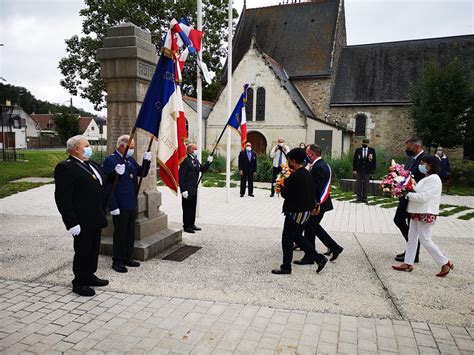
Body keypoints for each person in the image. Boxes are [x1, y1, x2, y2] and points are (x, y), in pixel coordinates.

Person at [54, 135, 109, 297]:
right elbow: (62, 198)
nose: (89, 147)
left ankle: (90, 275)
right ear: (76, 149)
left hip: (96, 216)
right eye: (86, 145)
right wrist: (71, 222)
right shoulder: (66, 167)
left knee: (93, 249)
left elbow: (103, 181)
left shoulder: (91, 164)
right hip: (81, 219)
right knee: (83, 250)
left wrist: (116, 173)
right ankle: (79, 282)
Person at [392, 155, 453, 277]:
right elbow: (417, 190)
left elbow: (423, 196)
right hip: (417, 211)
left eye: (424, 164)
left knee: (425, 239)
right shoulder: (427, 178)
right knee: (412, 237)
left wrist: (406, 193)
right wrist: (403, 186)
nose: (421, 166)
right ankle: (408, 262)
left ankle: (445, 262)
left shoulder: (434, 179)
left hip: (425, 212)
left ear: (431, 166)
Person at [271, 148, 328, 275]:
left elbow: (286, 194)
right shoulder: (306, 173)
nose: (288, 163)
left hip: (295, 212)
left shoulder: (296, 176)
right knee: (297, 236)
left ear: (294, 161)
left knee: (287, 238)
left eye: (289, 161)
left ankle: (286, 267)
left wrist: (281, 186)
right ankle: (319, 258)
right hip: (304, 211)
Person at [103, 135, 152, 273]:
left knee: (130, 232)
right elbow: (108, 185)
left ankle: (127, 257)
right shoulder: (111, 161)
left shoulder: (129, 159)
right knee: (120, 233)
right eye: (132, 147)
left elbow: (142, 173)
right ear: (123, 146)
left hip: (131, 203)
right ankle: (117, 261)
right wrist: (113, 206)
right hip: (120, 205)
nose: (133, 150)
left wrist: (146, 161)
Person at [295, 144, 344, 264]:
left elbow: (316, 187)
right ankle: (334, 247)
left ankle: (310, 257)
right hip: (318, 203)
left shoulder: (319, 167)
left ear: (312, 154)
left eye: (307, 154)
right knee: (314, 227)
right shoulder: (318, 164)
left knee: (310, 228)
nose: (306, 156)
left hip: (318, 203)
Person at [394, 138, 426, 263]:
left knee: (405, 223)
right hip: (406, 197)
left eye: (409, 148)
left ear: (417, 147)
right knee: (399, 220)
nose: (407, 150)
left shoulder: (424, 160)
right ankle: (412, 250)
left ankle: (413, 252)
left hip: (414, 198)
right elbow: (406, 175)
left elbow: (421, 178)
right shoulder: (411, 159)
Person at [179, 143, 212, 233]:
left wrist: (208, 162)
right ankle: (186, 226)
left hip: (194, 188)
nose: (196, 151)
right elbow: (181, 176)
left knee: (193, 207)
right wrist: (183, 190)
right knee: (187, 208)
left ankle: (192, 224)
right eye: (194, 149)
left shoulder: (195, 160)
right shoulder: (185, 160)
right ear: (189, 150)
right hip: (187, 189)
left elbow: (203, 169)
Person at [352, 138, 376, 203]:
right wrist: (354, 169)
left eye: (366, 143)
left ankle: (365, 198)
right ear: (362, 143)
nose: (365, 144)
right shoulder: (358, 150)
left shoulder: (372, 150)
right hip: (359, 170)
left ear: (368, 144)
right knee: (359, 184)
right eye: (364, 143)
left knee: (366, 185)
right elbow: (354, 160)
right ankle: (359, 198)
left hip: (367, 171)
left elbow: (374, 161)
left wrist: (373, 171)